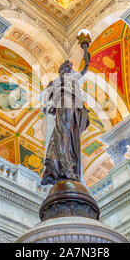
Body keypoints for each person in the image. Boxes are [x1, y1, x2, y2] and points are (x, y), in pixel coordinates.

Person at [40, 48, 91, 185]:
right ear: (62, 69)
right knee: (63, 131)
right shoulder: (55, 82)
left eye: (70, 67)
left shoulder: (71, 78)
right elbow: (47, 98)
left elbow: (83, 72)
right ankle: (63, 165)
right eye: (67, 66)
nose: (69, 68)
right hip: (63, 103)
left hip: (73, 105)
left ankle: (68, 165)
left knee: (69, 133)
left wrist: (86, 59)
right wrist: (49, 105)